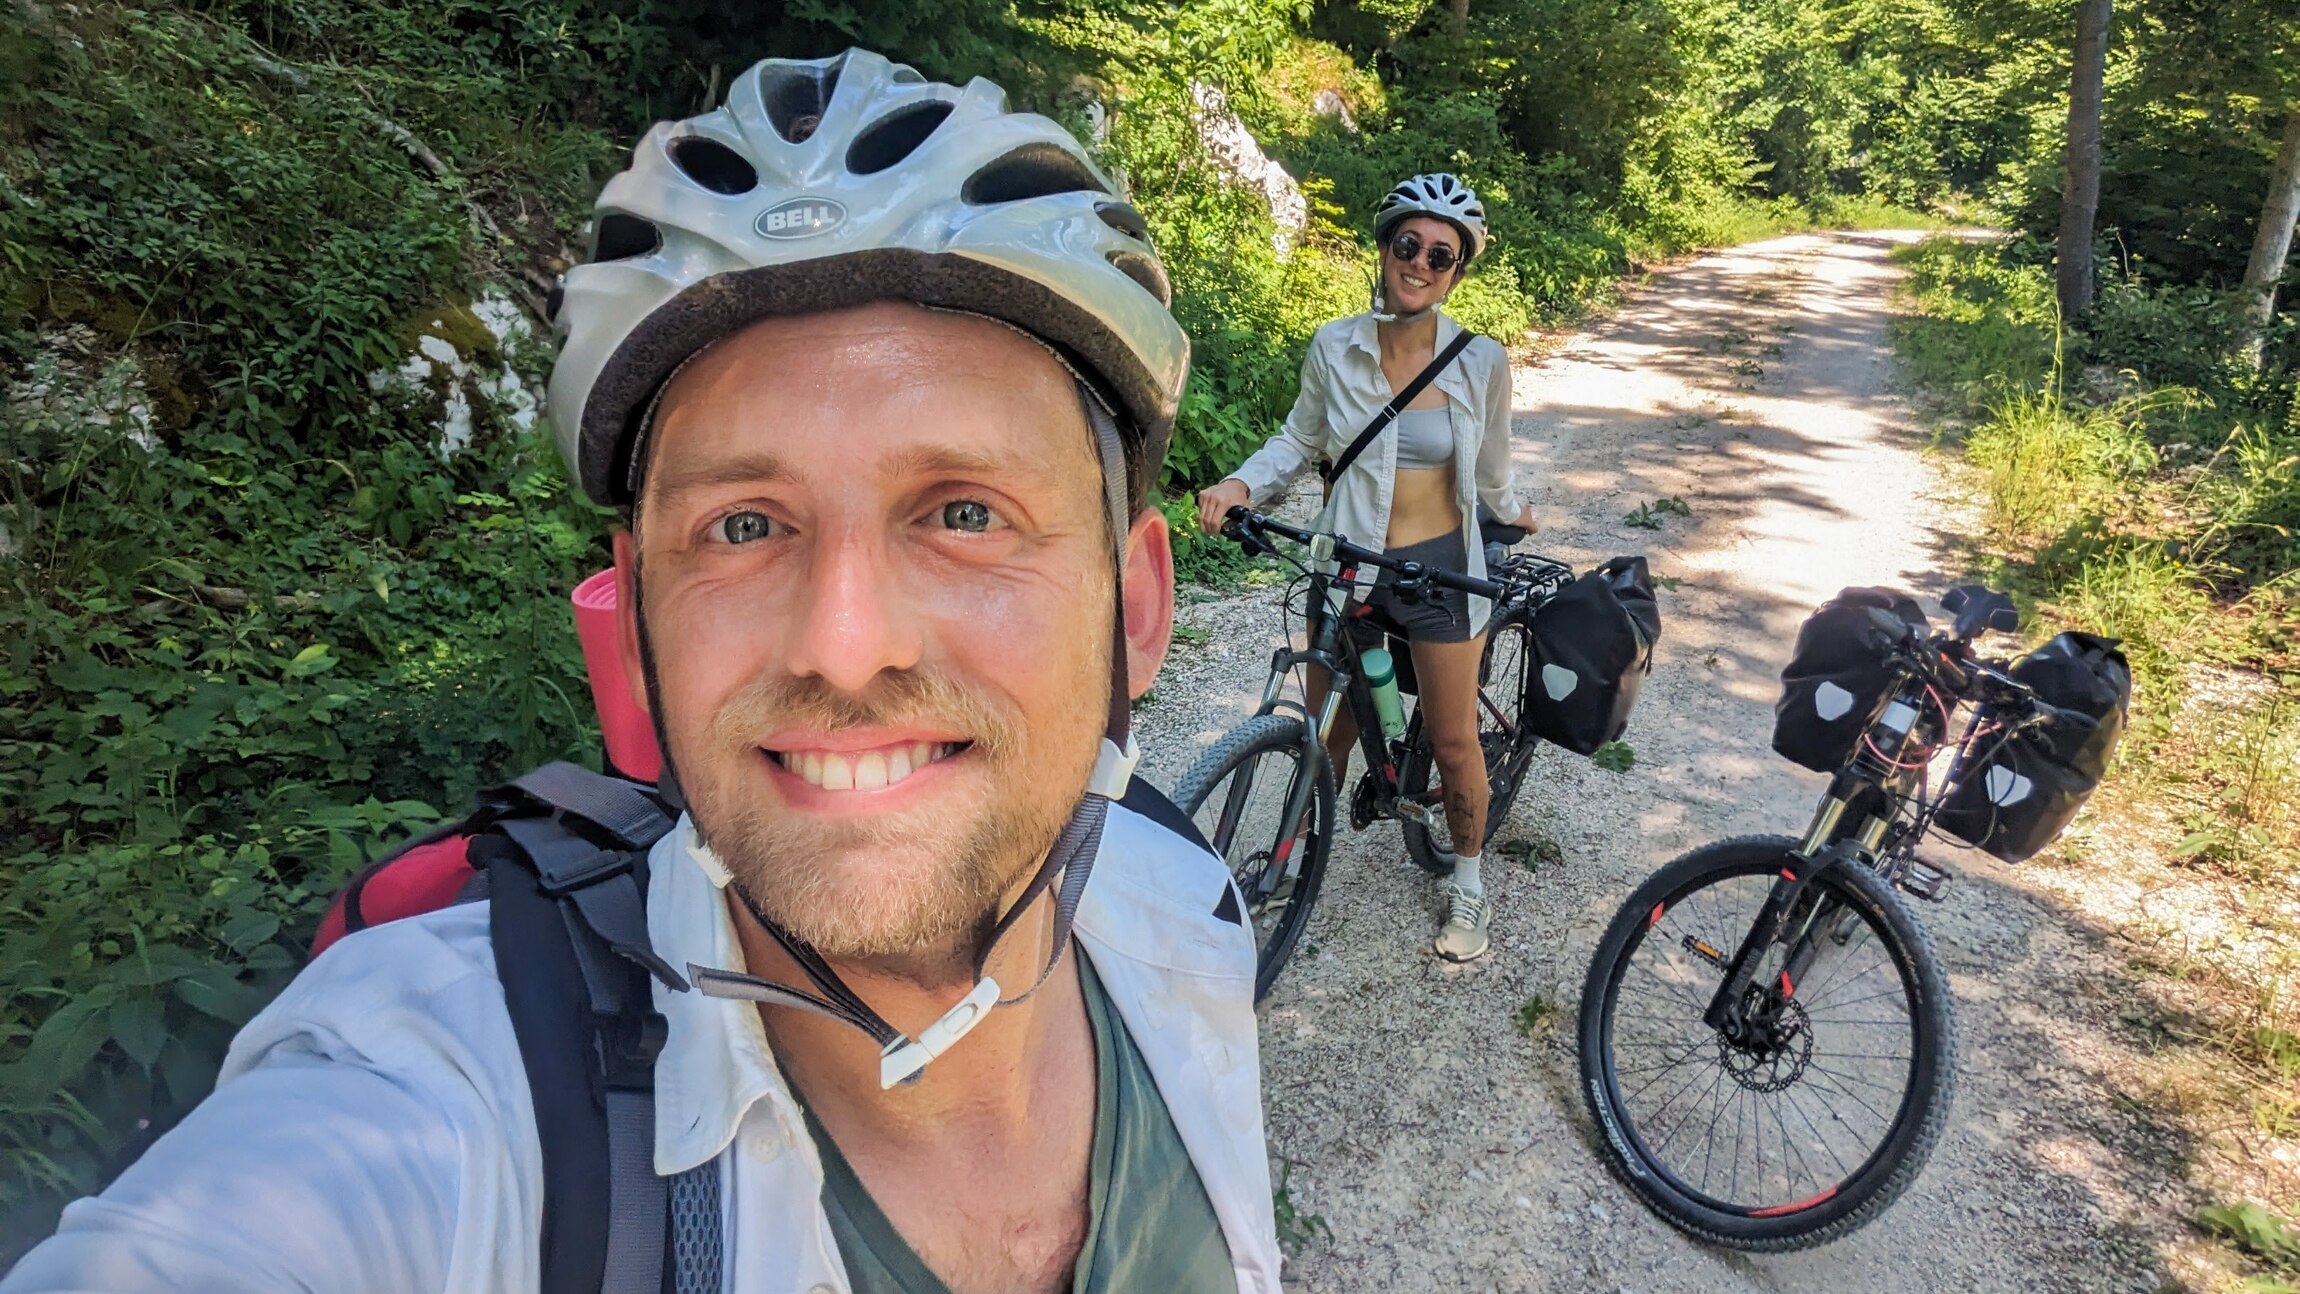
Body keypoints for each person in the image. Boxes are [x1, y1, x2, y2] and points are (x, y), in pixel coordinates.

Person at [3, 50, 1281, 1294]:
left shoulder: (1183, 908)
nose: (843, 643)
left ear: (1138, 602)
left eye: (962, 513)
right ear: (637, 623)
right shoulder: (466, 1100)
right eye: (740, 525)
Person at [1194, 174, 1533, 964]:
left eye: (1439, 255)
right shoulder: (1334, 346)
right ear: (1383, 250)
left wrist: (1514, 512)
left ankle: (1471, 889)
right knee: (1325, 735)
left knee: (1453, 746)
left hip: (1440, 570)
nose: (1419, 263)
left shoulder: (1481, 361)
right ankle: (1292, 855)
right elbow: (1297, 438)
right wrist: (1241, 483)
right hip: (1346, 562)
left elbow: (1492, 470)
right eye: (1406, 245)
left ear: (1457, 271)